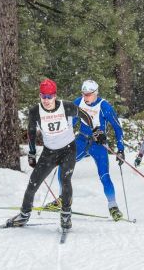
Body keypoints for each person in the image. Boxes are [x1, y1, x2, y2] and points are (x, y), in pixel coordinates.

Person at [7, 79, 92, 229]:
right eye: (43, 96)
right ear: (40, 96)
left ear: (55, 96)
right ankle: (24, 215)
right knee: (33, 183)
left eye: (49, 97)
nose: (46, 100)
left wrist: (94, 131)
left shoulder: (66, 107)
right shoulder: (35, 111)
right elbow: (31, 132)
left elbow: (85, 115)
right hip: (49, 153)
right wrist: (32, 153)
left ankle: (66, 215)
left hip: (68, 150)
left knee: (65, 180)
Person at [44, 79, 126, 221]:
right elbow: (72, 122)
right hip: (81, 140)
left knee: (104, 176)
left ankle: (113, 206)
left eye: (89, 94)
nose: (86, 97)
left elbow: (117, 128)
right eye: (84, 94)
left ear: (96, 93)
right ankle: (62, 199)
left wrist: (120, 149)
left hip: (98, 145)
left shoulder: (104, 106)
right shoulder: (79, 102)